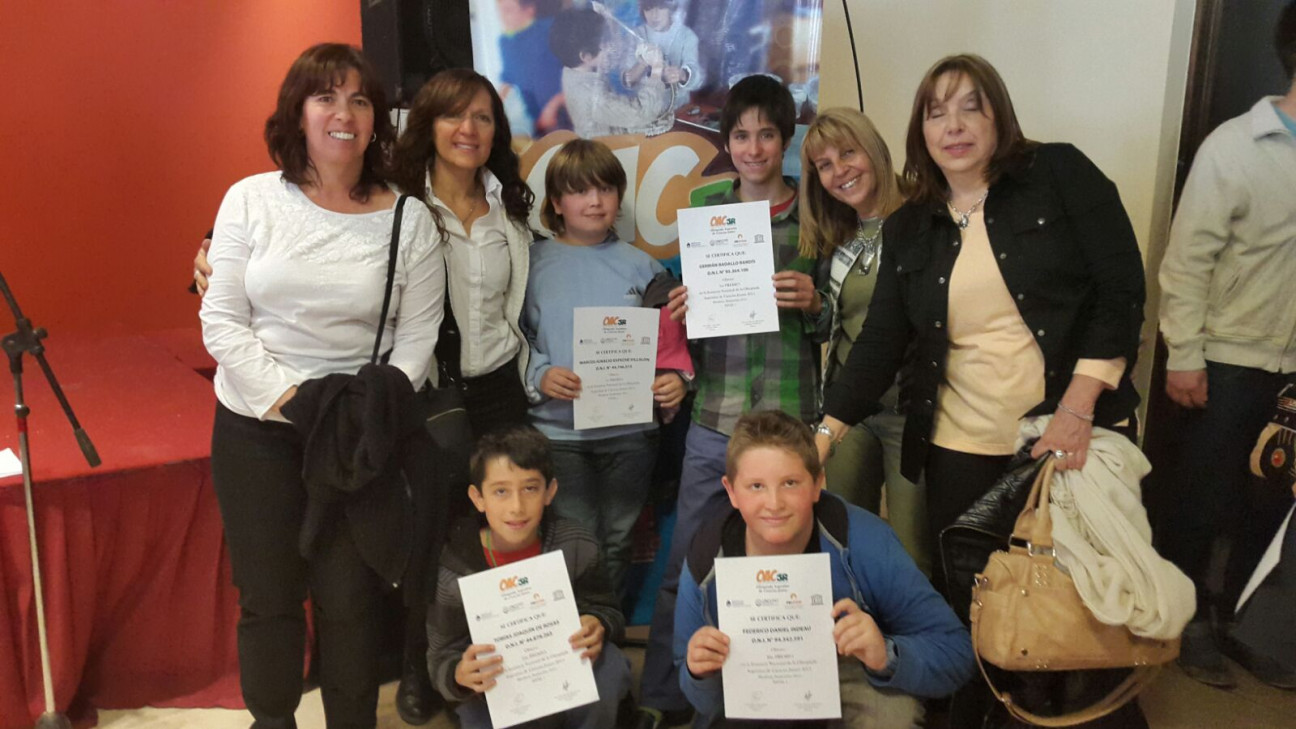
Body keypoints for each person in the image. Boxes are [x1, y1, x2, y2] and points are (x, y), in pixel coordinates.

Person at [814, 54, 1146, 727]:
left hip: (1065, 434)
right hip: (958, 441)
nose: (954, 124)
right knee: (976, 593)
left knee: (1075, 595)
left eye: (972, 106)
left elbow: (1122, 293)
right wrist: (822, 437)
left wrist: (1079, 408)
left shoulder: (1060, 176)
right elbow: (881, 342)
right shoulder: (912, 224)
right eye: (936, 111)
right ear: (920, 130)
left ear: (1000, 115)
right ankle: (985, 708)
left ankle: (1079, 714)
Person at [199, 43, 444, 729]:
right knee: (270, 595)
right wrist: (295, 399)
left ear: (376, 119)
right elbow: (221, 321)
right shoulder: (250, 199)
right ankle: (272, 719)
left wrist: (366, 411)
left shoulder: (409, 218)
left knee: (349, 600)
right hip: (258, 431)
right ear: (298, 113)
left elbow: (418, 338)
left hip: (357, 436)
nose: (344, 113)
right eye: (326, 97)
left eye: (360, 99)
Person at [635, 74, 832, 729]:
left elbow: (847, 321)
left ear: (785, 140)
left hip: (791, 421)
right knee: (685, 567)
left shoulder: (816, 213)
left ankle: (785, 696)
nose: (754, 147)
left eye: (767, 134)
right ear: (728, 143)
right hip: (715, 419)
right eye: (741, 134)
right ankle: (668, 694)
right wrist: (683, 314)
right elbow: (682, 332)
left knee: (790, 571)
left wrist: (815, 304)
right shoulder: (709, 212)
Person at [1156, 0, 1296, 690]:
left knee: (1268, 505)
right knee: (1201, 497)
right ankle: (1185, 619)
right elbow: (1187, 263)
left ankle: (1240, 620)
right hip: (1229, 359)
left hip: (1293, 369)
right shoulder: (1236, 146)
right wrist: (1184, 352)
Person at [675, 410, 974, 728]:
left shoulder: (864, 541)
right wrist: (700, 673)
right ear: (731, 491)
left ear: (817, 483)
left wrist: (886, 654)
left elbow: (957, 653)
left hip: (850, 669)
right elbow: (701, 698)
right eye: (756, 486)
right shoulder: (706, 556)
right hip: (752, 680)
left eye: (790, 483)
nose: (774, 503)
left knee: (893, 716)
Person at [521, 138, 687, 598]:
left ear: (619, 196)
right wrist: (539, 374)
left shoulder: (643, 267)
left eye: (605, 190)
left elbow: (670, 346)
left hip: (630, 434)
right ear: (557, 201)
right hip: (559, 433)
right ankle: (567, 647)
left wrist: (675, 379)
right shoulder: (531, 263)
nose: (594, 201)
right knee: (574, 543)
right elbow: (513, 338)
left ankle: (602, 638)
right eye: (579, 191)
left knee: (616, 541)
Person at [426, 426, 633, 728]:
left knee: (612, 668)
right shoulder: (455, 569)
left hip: (562, 671)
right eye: (500, 491)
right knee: (473, 715)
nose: (516, 507)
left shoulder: (576, 542)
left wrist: (598, 623)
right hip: (498, 687)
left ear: (550, 492)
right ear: (477, 497)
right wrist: (459, 673)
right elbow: (440, 656)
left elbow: (609, 610)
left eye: (530, 488)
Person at [799, 107, 927, 574]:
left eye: (848, 152)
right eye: (825, 165)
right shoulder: (839, 233)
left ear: (872, 148)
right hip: (850, 410)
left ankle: (912, 647)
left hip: (909, 410)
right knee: (843, 540)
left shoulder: (925, 216)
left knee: (913, 549)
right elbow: (844, 320)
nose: (840, 171)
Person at [548, 6, 670, 139]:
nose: (610, 47)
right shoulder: (594, 98)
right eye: (605, 43)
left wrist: (643, 63)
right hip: (611, 151)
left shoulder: (575, 69)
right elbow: (642, 113)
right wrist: (656, 69)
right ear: (586, 56)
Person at [495, 0, 565, 136]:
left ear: (529, 10)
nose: (502, 17)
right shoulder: (505, 42)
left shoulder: (550, 29)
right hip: (537, 120)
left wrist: (553, 107)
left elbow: (576, 69)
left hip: (564, 112)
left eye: (508, 10)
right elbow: (507, 80)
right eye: (500, 11)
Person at [634, 0, 705, 113]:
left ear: (671, 8)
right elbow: (627, 79)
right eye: (648, 9)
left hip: (678, 109)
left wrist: (682, 74)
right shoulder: (636, 35)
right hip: (643, 110)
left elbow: (697, 76)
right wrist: (643, 63)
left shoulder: (687, 36)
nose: (654, 15)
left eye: (661, 8)